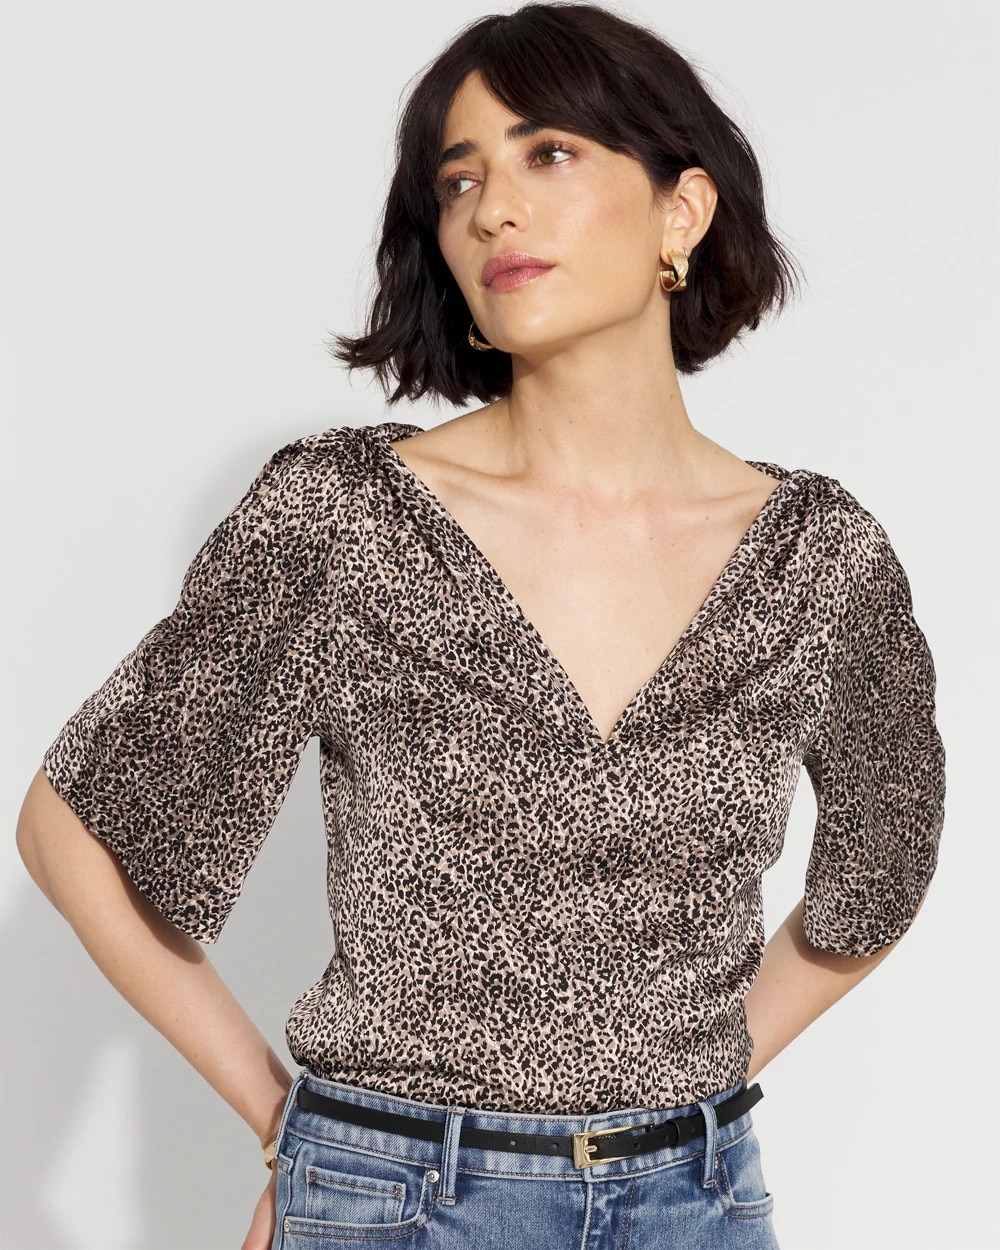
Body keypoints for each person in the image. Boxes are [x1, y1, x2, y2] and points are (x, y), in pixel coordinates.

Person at [15, 3, 946, 1248]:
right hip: (398, 1201)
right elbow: (74, 829)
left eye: (548, 153)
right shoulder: (346, 516)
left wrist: (692, 1082)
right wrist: (291, 1127)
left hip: (697, 1202)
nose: (494, 208)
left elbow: (879, 879)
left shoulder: (817, 558)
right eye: (459, 181)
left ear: (680, 210)